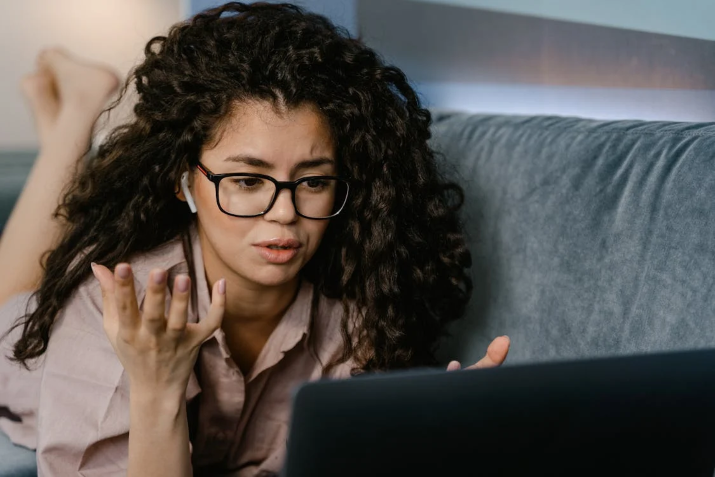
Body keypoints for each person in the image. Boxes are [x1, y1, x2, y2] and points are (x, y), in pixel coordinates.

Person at [0, 3, 510, 476]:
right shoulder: (111, 301)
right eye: (246, 181)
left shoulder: (358, 316)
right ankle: (74, 116)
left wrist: (433, 441)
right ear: (184, 182)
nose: (285, 215)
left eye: (312, 182)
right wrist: (157, 389)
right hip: (27, 353)